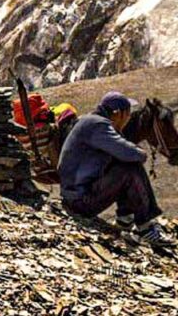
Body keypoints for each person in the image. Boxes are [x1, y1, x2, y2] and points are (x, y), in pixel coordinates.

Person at [58, 91, 173, 247]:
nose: (128, 119)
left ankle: (125, 219)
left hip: (75, 196)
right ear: (117, 114)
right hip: (80, 201)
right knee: (130, 167)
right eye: (127, 114)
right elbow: (130, 153)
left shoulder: (90, 122)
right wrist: (142, 153)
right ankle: (145, 227)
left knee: (123, 166)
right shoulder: (98, 126)